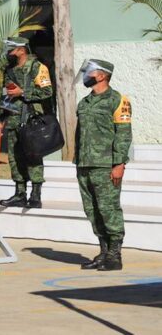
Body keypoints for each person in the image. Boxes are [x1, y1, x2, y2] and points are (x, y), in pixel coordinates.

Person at [74, 59, 132, 271]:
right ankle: (104, 252)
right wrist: (77, 161)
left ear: (102, 75)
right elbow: (80, 135)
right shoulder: (84, 102)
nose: (86, 75)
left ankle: (115, 256)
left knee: (109, 210)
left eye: (90, 72)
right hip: (84, 164)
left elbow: (124, 135)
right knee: (92, 210)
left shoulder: (117, 100)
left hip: (106, 165)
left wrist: (119, 163)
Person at [0, 37, 54, 209]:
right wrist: (2, 119)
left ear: (22, 50)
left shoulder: (37, 67)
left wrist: (24, 92)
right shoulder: (9, 70)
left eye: (12, 49)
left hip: (31, 120)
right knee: (15, 158)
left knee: (33, 156)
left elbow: (47, 91)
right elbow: (6, 95)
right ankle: (19, 193)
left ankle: (35, 195)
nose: (9, 52)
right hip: (14, 120)